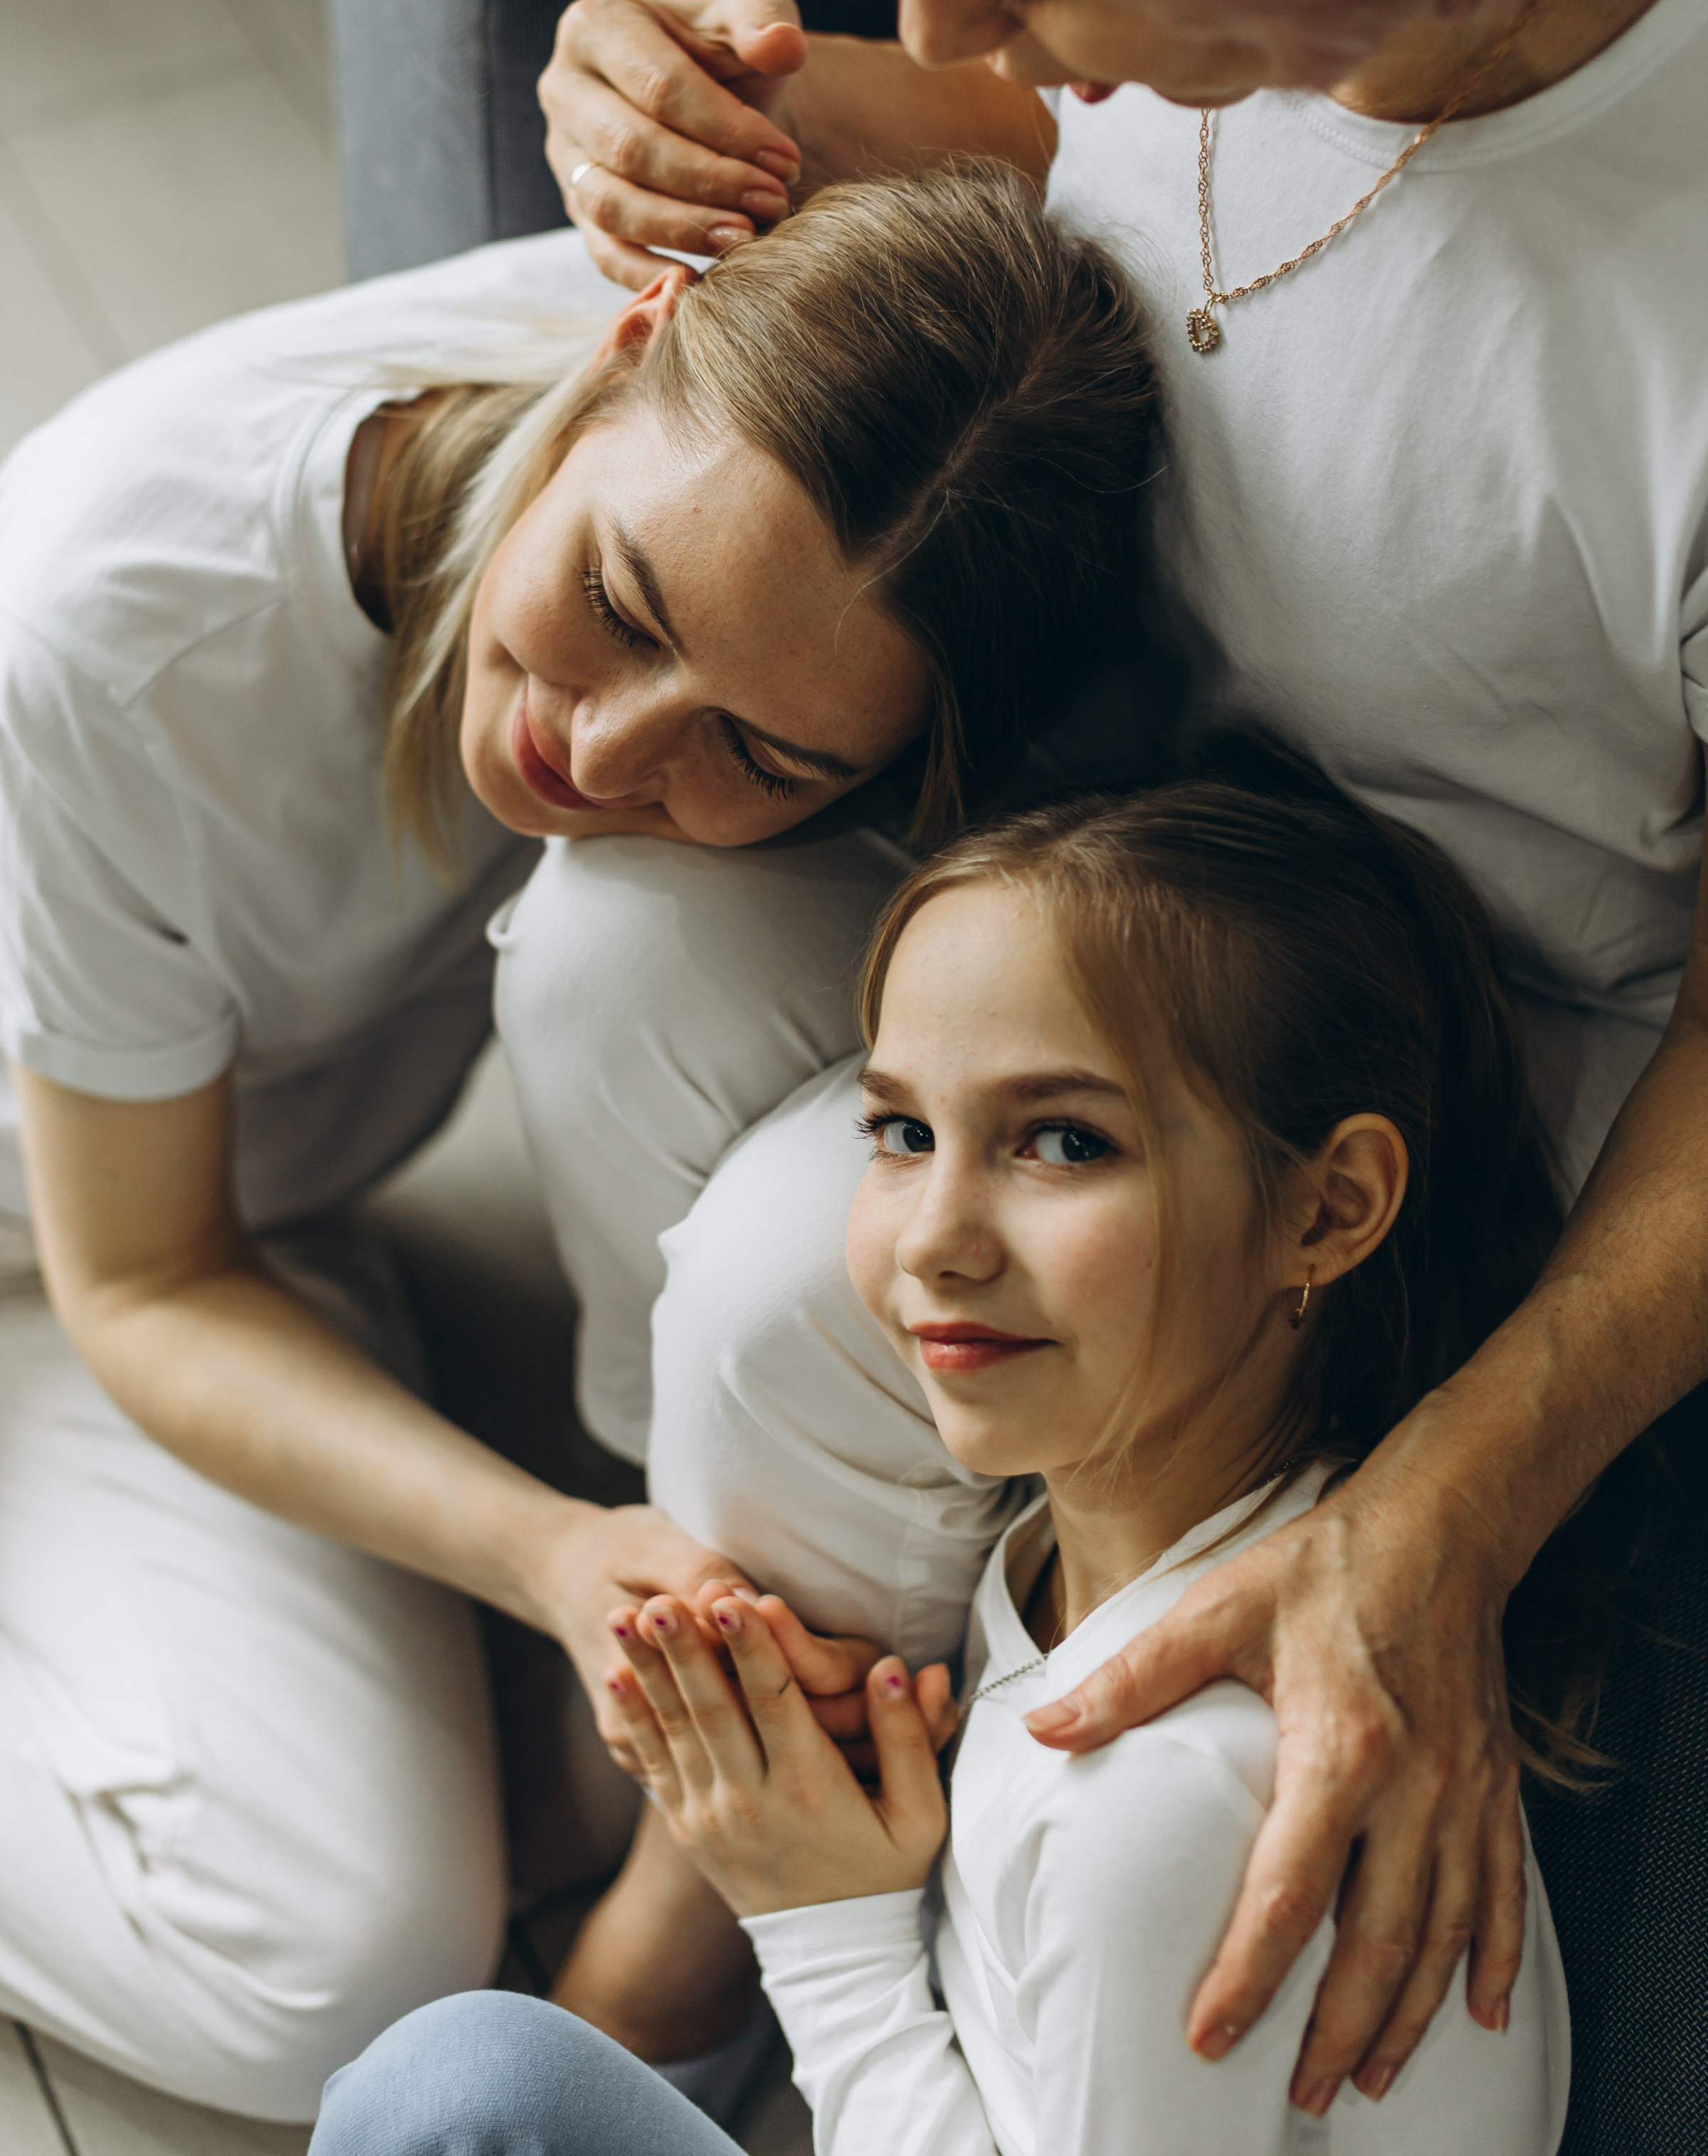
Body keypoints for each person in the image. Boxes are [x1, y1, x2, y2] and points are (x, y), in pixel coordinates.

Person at [469, 0, 1708, 2126]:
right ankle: (726, 1802)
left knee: (765, 1302)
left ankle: (796, 1920)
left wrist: (1448, 1508)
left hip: (1478, 1033)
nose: (942, 22)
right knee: (613, 951)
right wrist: (722, 106)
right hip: (1160, 843)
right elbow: (1108, 168)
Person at [0, 164, 1173, 2120]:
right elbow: (144, 1274)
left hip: (254, 1206)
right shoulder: (115, 632)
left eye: (765, 755)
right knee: (327, 1972)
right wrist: (545, 1552)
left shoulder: (858, 400)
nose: (606, 754)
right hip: (96, 1252)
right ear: (626, 346)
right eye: (622, 608)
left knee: (651, 930)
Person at [310, 748, 1600, 2156]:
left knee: (450, 2095)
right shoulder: (1080, 1542)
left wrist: (826, 1927)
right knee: (470, 2086)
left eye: (1061, 1141)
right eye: (902, 1130)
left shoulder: (1168, 1807)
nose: (936, 1236)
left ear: (1328, 1208)